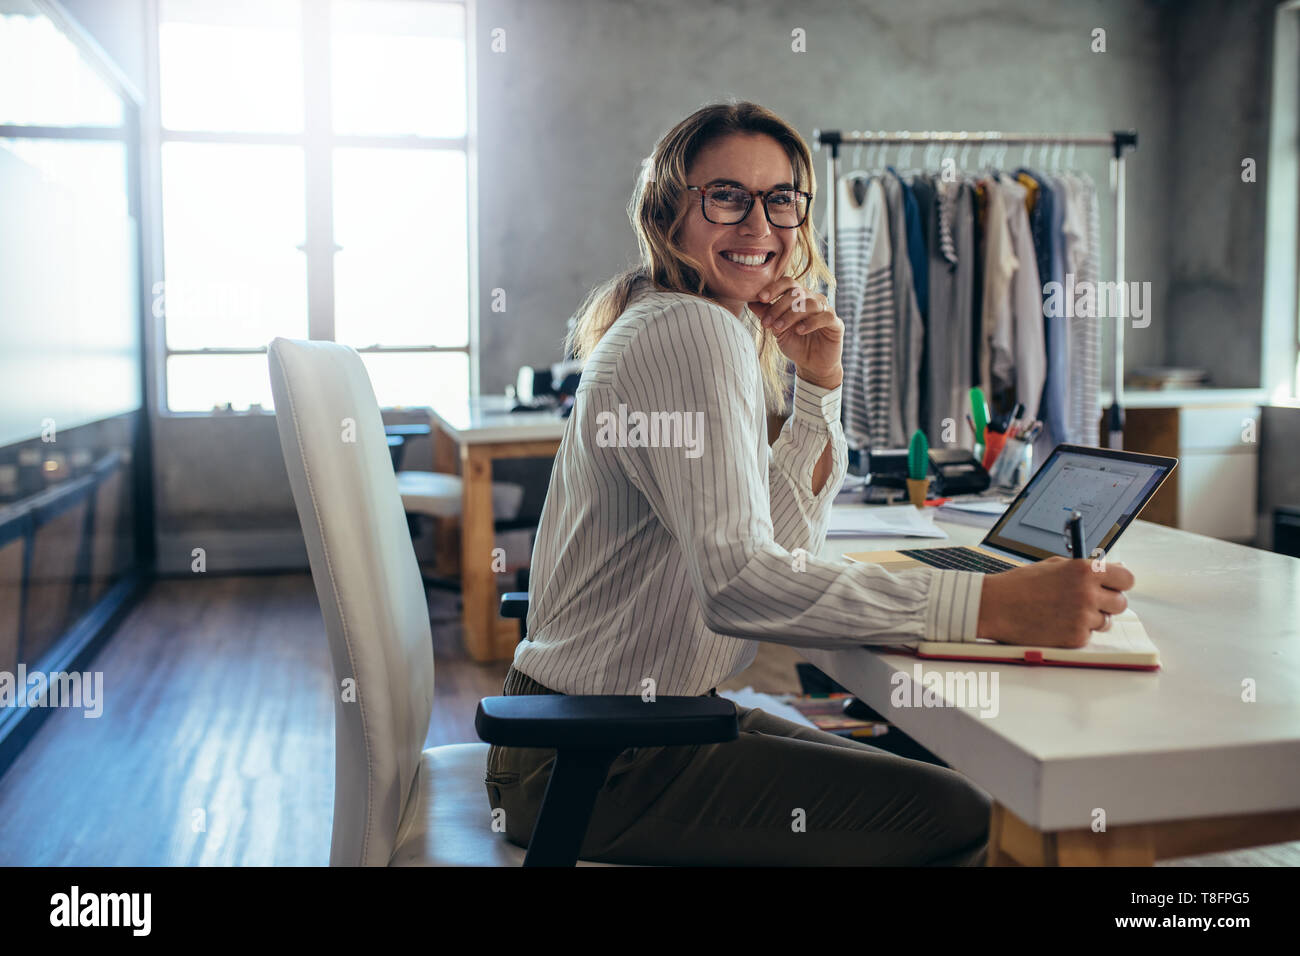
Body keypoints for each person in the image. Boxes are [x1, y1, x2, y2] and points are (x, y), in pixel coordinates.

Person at [483, 100, 1135, 866]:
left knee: (941, 782)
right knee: (962, 813)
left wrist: (817, 387)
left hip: (610, 734)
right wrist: (991, 603)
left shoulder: (689, 323)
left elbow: (783, 549)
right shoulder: (692, 331)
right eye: (726, 196)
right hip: (603, 760)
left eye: (780, 198)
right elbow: (740, 586)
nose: (758, 224)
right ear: (670, 213)